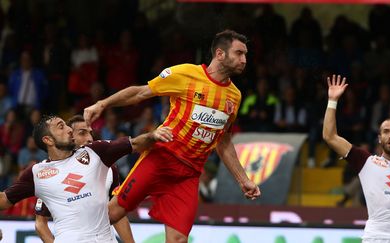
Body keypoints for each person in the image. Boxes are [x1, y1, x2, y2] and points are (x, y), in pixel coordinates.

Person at [84, 29, 261, 242]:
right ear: (220, 54)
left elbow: (223, 141)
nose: (244, 59)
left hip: (188, 174)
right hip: (161, 158)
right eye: (239, 53)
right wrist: (102, 103)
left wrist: (243, 180)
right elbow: (140, 92)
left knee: (178, 239)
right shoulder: (185, 74)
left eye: (245, 55)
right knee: (112, 214)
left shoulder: (235, 96)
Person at [0, 115, 173, 243]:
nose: (69, 129)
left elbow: (134, 143)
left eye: (68, 126)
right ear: (48, 140)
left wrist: (153, 135)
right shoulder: (37, 173)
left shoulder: (96, 152)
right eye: (61, 127)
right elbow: (4, 201)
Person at [323, 74, 390, 243]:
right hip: (376, 238)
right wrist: (332, 101)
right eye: (386, 132)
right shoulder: (366, 161)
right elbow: (330, 137)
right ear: (379, 138)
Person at [34, 115, 135, 243]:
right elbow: (40, 223)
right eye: (82, 133)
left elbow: (117, 213)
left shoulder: (107, 167)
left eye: (90, 133)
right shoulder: (49, 173)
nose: (89, 138)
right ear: (69, 135)